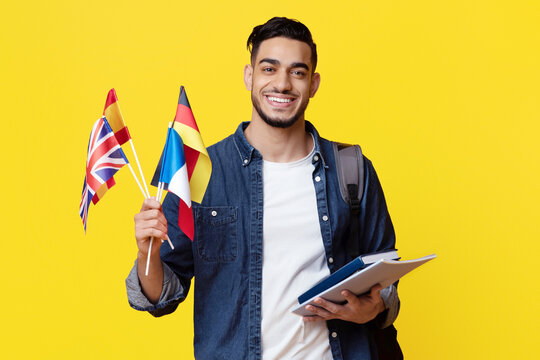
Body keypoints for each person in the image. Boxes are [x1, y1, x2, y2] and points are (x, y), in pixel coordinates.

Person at [126, 17, 399, 360]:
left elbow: (386, 280)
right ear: (249, 76)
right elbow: (163, 294)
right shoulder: (200, 172)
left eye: (297, 72)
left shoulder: (352, 168)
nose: (282, 84)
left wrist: (369, 311)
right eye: (269, 69)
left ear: (313, 84)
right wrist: (145, 252)